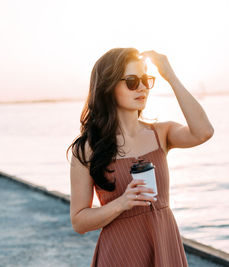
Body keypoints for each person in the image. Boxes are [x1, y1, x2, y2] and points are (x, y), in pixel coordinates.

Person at [67, 48, 214, 267]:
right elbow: (79, 222)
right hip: (120, 253)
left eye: (146, 80)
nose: (143, 87)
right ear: (108, 87)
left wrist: (170, 76)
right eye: (132, 81)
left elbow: (203, 132)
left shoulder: (160, 133)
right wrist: (121, 203)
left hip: (164, 245)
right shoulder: (87, 150)